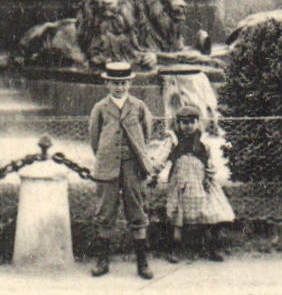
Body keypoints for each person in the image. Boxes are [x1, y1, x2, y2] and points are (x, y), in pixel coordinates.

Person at [87, 60, 159, 278]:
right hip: (107, 166)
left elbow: (146, 134)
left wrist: (136, 156)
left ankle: (142, 262)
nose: (119, 87)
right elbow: (94, 138)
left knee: (137, 210)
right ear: (107, 84)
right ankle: (102, 261)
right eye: (114, 83)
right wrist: (106, 156)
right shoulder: (100, 108)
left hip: (132, 167)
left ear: (129, 83)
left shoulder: (138, 107)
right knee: (105, 212)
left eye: (123, 83)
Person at [159, 102, 234, 263]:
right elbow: (161, 159)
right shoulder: (173, 141)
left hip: (200, 183)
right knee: (177, 218)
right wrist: (154, 173)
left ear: (198, 123)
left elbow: (210, 163)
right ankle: (174, 249)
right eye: (184, 122)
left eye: (192, 122)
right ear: (178, 123)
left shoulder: (203, 143)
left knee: (212, 212)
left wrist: (210, 175)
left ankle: (211, 247)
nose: (188, 126)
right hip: (180, 183)